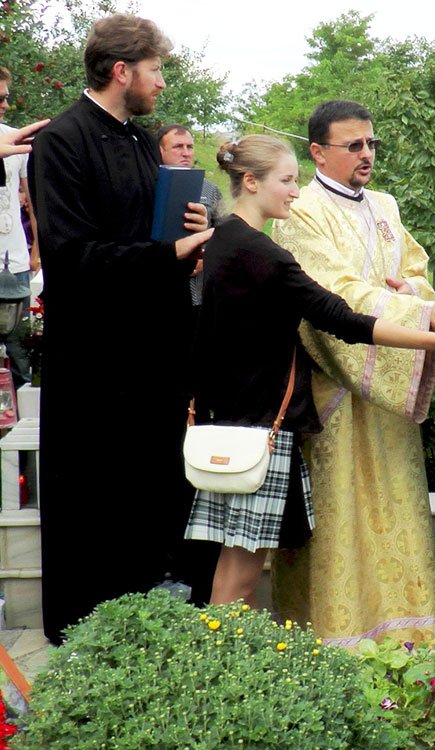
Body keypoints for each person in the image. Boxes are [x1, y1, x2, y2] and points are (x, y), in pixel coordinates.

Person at [185, 135, 435, 606]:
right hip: (259, 424)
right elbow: (344, 319)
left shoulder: (222, 240)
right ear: (250, 182)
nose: (295, 191)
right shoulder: (262, 253)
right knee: (241, 576)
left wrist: (427, 313)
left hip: (231, 418)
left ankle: (231, 665)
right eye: (287, 181)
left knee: (233, 566)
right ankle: (221, 671)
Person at [27, 14, 215, 643]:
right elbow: (71, 254)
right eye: (156, 70)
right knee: (95, 502)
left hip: (151, 357)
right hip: (95, 363)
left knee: (146, 501)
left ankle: (145, 634)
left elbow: (147, 232)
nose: (161, 83)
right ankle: (88, 638)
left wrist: (186, 229)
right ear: (121, 71)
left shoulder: (138, 141)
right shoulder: (62, 142)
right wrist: (168, 255)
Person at [269, 99, 435, 646]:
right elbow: (333, 295)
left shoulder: (386, 205)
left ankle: (408, 644)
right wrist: (414, 312)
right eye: (354, 145)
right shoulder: (300, 210)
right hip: (335, 393)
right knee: (340, 526)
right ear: (318, 152)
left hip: (390, 396)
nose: (367, 154)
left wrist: (415, 295)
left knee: (397, 514)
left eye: (371, 143)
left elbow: (417, 273)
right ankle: (332, 644)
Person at [0, 67, 40, 388]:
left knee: (20, 351)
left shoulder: (15, 138)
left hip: (14, 262)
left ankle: (18, 430)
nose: (5, 104)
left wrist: (36, 249)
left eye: (7, 98)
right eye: (0, 98)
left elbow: (33, 201)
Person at [157, 123, 223, 307]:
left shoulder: (210, 189)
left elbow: (223, 233)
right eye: (178, 146)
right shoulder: (148, 187)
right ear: (160, 150)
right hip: (159, 286)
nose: (186, 153)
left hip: (199, 292)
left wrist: (206, 258)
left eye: (190, 147)